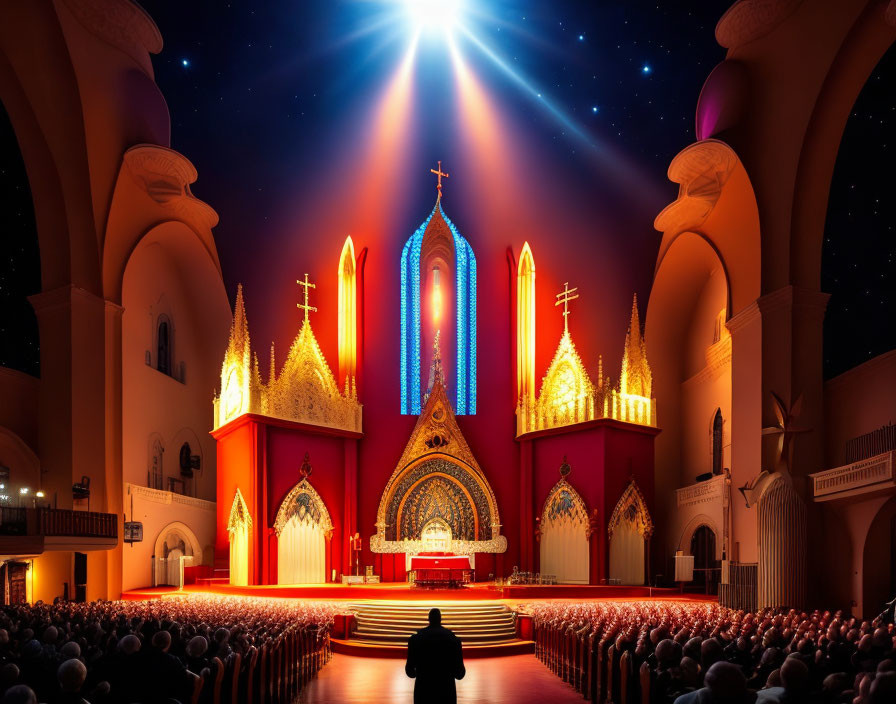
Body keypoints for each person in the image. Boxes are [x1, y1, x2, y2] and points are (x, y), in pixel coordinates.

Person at [405, 608, 465, 704]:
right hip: (446, 690)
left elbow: (410, 672)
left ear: (429, 619)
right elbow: (460, 674)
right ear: (440, 619)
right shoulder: (454, 640)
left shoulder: (415, 639)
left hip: (423, 690)